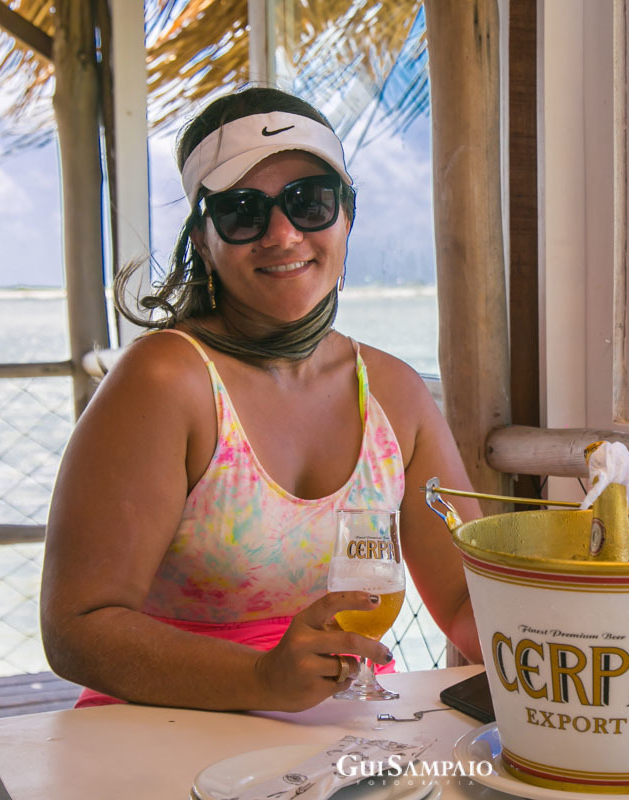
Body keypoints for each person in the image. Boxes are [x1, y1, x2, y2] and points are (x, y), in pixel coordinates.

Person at [40, 86, 484, 713]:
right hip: (154, 732)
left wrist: (604, 620)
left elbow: (470, 604)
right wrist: (260, 680)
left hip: (327, 738)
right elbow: (76, 627)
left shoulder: (393, 391)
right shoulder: (167, 378)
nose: (282, 234)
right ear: (201, 237)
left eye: (310, 203)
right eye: (243, 211)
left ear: (346, 217)